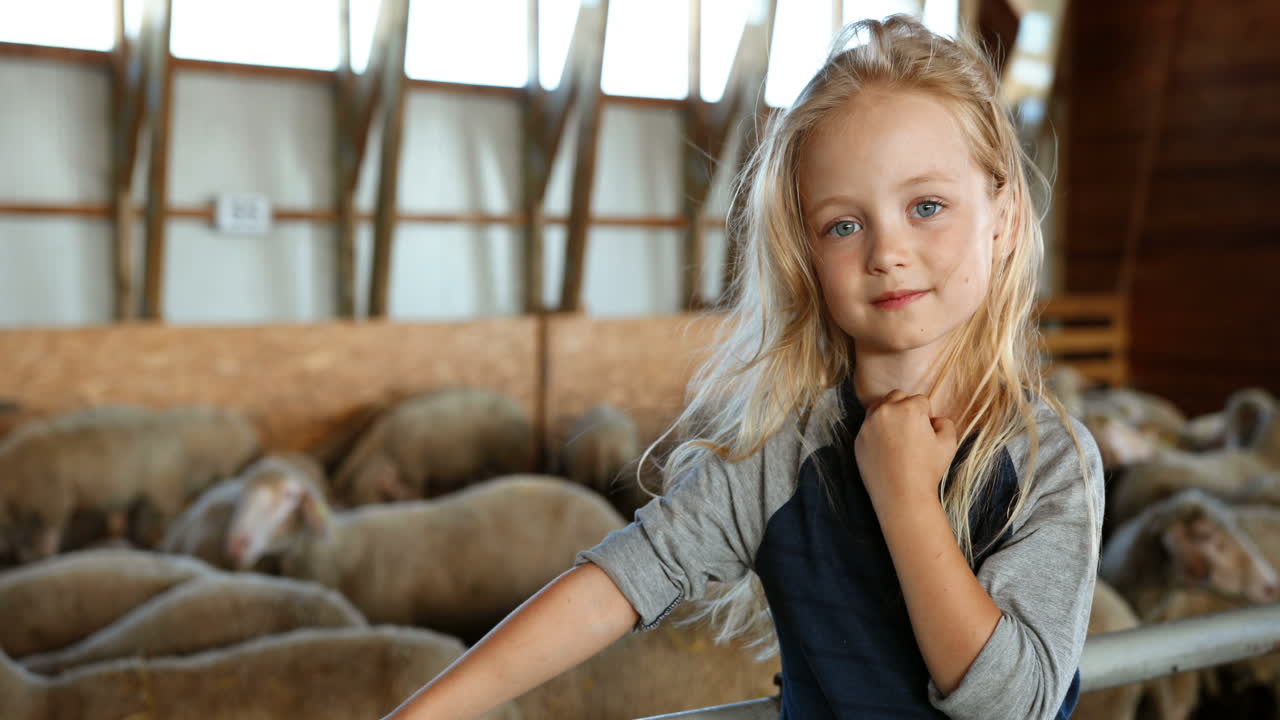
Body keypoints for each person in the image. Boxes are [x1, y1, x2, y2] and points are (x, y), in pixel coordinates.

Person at [382, 14, 1103, 720]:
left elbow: (1015, 704)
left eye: (927, 206)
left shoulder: (1050, 462)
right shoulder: (778, 452)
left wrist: (905, 497)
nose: (887, 251)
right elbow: (622, 581)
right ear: (806, 253)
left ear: (1004, 219)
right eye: (843, 225)